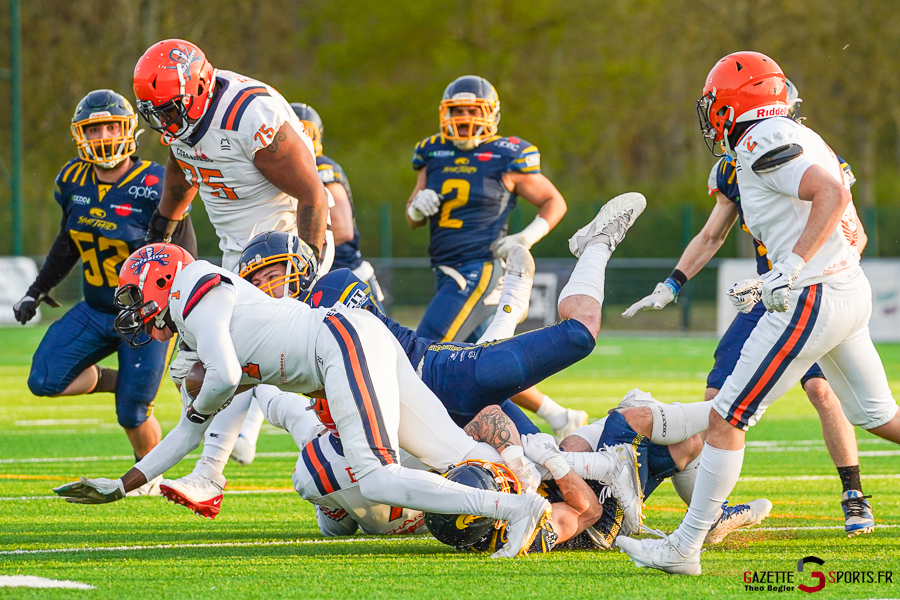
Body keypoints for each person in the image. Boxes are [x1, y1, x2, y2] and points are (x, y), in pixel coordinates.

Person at [157, 193, 648, 523]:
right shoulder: (257, 339)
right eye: (259, 280)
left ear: (302, 267)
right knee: (522, 475)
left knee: (574, 344)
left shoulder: (329, 292)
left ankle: (593, 247)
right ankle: (592, 466)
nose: (271, 286)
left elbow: (360, 360)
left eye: (277, 272)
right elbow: (239, 389)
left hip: (433, 379)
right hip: (402, 426)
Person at [54, 242, 556, 558]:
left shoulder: (194, 292)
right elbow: (188, 429)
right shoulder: (199, 329)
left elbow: (225, 376)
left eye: (137, 299)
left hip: (337, 344)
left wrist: (204, 401)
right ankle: (553, 483)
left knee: (378, 476)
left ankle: (511, 509)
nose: (137, 314)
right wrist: (123, 485)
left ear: (163, 281)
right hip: (353, 338)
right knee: (454, 453)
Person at [617, 51, 900, 576]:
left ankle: (685, 547)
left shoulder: (759, 139)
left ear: (733, 102)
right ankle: (687, 542)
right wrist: (673, 283)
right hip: (844, 288)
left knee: (728, 417)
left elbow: (833, 195)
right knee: (880, 417)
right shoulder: (788, 136)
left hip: (811, 295)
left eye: (714, 103)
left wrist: (789, 267)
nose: (710, 115)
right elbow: (839, 211)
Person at [132, 38, 333, 473]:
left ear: (199, 89)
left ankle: (309, 439)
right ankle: (212, 471)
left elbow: (313, 195)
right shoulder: (184, 120)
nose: (163, 121)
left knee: (252, 364)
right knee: (195, 372)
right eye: (156, 112)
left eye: (168, 109)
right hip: (235, 259)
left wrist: (304, 270)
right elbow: (181, 174)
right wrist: (160, 233)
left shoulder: (249, 115)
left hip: (282, 250)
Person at [14, 89, 197, 495]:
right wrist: (37, 289)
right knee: (43, 378)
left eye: (110, 126)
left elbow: (184, 252)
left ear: (129, 129)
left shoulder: (155, 182)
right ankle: (121, 379)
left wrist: (180, 314)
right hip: (96, 307)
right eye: (94, 129)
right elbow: (67, 243)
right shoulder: (72, 179)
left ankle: (149, 475)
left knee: (133, 413)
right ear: (81, 135)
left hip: (146, 316)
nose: (102, 136)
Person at [406, 75, 581, 436]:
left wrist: (526, 236)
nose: (464, 117)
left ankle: (429, 444)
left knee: (425, 358)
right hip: (445, 268)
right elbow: (411, 216)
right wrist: (416, 210)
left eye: (473, 109)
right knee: (488, 366)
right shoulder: (432, 152)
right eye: (457, 110)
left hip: (479, 269)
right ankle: (558, 418)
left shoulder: (506, 155)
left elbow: (554, 201)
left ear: (490, 114)